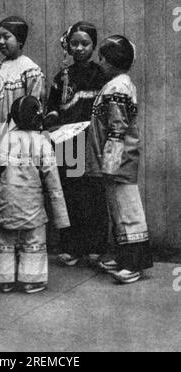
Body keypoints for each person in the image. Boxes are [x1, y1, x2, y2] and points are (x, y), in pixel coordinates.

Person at [0, 96, 70, 294]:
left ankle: (6, 280)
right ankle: (31, 281)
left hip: (5, 204)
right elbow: (53, 184)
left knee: (4, 242)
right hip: (32, 207)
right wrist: (61, 218)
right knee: (33, 242)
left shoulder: (4, 142)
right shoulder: (42, 143)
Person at [86, 34, 153, 284]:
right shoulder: (117, 84)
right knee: (118, 210)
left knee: (128, 212)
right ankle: (123, 256)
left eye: (102, 58)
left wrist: (110, 164)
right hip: (115, 162)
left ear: (112, 61)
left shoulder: (117, 87)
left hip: (118, 162)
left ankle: (133, 264)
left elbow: (117, 128)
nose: (99, 62)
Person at [44, 21, 109, 267]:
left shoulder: (100, 75)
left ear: (93, 46)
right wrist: (51, 117)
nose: (79, 48)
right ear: (68, 46)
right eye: (75, 43)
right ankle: (71, 247)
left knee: (93, 195)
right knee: (69, 195)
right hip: (66, 144)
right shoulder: (62, 77)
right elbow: (52, 106)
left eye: (85, 43)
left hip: (91, 143)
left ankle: (96, 247)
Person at [0, 16, 46, 131]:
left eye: (6, 37)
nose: (0, 41)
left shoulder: (30, 70)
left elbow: (36, 108)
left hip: (20, 137)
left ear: (20, 40)